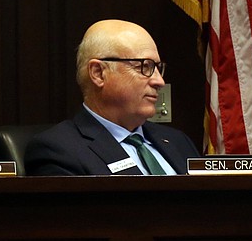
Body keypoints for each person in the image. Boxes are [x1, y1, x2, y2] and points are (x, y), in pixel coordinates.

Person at [26, 20, 198, 176]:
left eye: (158, 68)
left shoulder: (178, 141)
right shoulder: (58, 151)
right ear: (98, 73)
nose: (159, 81)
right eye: (145, 67)